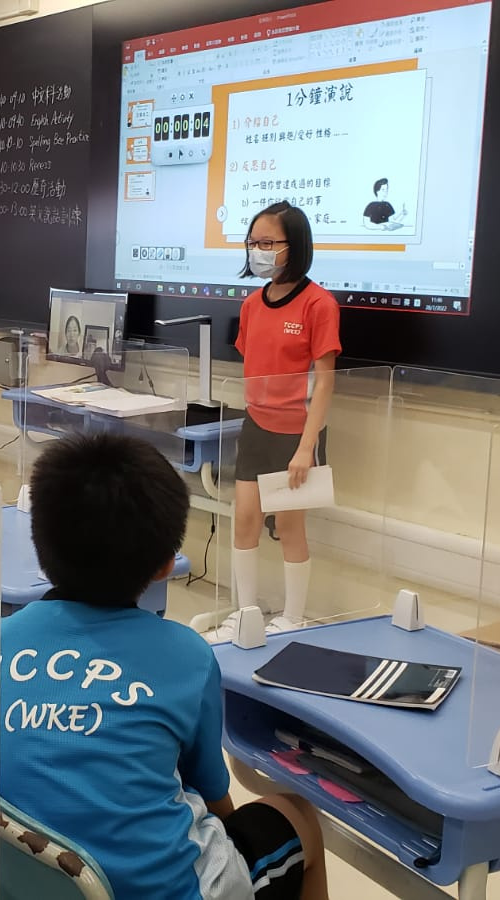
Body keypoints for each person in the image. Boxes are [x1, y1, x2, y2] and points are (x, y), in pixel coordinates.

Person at [0, 434, 329, 900]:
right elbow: (214, 798)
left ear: (39, 544)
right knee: (299, 815)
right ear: (166, 566)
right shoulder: (186, 656)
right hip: (168, 891)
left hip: (31, 880)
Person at [216, 201, 341, 640]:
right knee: (245, 520)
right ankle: (245, 612)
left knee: (288, 526)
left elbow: (324, 382)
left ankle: (293, 616)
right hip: (256, 425)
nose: (258, 250)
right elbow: (255, 363)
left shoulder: (318, 304)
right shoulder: (252, 304)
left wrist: (307, 447)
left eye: (268, 242)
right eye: (253, 242)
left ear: (294, 245)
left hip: (297, 432)